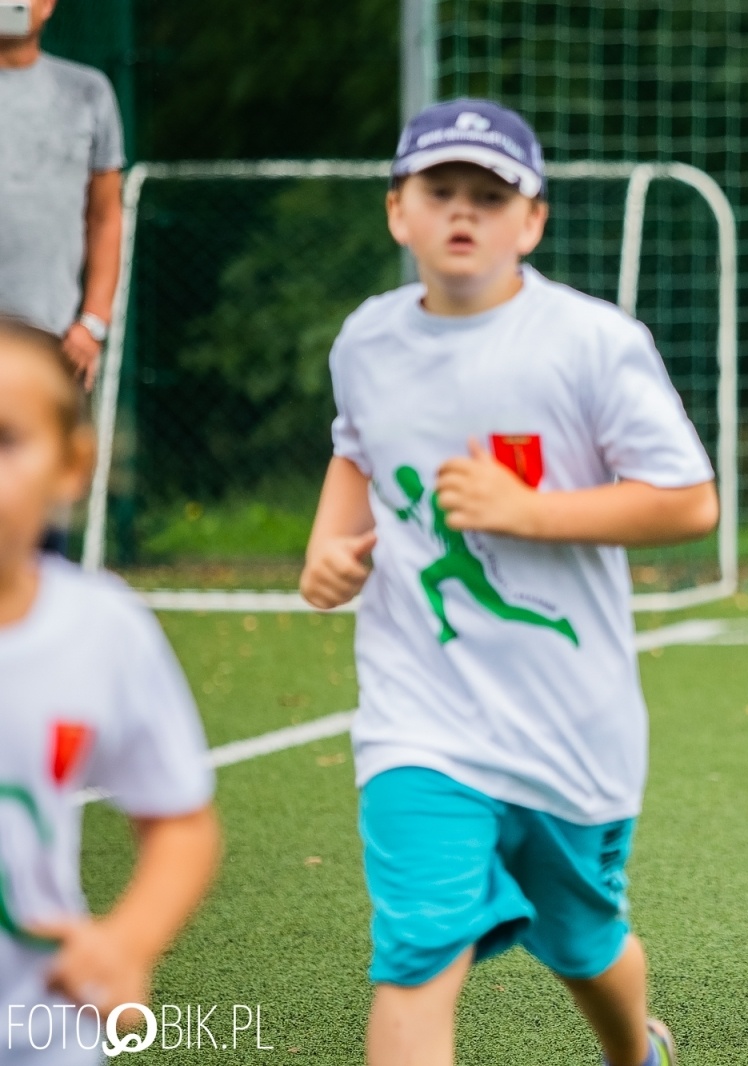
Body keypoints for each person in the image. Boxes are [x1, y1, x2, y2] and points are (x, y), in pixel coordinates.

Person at [299, 98, 717, 1066]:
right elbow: (354, 449)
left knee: (585, 941)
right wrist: (330, 545)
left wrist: (530, 511)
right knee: (416, 954)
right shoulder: (366, 339)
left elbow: (689, 501)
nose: (463, 211)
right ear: (398, 210)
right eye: (439, 190)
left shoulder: (590, 341)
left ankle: (632, 1051)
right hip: (418, 719)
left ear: (530, 222)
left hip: (570, 725)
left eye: (490, 196)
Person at [0, 317, 220, 1062]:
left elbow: (180, 823)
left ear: (71, 465)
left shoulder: (102, 630)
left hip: (42, 1035)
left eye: (4, 440)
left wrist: (128, 942)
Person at [0, 0, 125, 390]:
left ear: (48, 5)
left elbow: (106, 217)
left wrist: (92, 323)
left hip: (53, 343)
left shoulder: (88, 92)